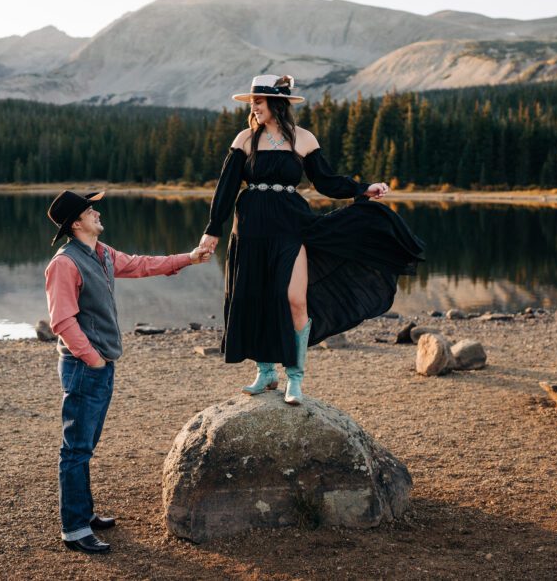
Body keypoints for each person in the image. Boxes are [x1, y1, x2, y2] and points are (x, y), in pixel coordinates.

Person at [198, 75, 425, 405]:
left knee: (294, 300)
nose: (254, 108)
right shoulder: (245, 139)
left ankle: (295, 376)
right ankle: (266, 372)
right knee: (257, 297)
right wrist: (212, 229)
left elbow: (327, 182)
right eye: (252, 103)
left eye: (258, 102)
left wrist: (362, 189)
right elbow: (227, 188)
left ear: (276, 103)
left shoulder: (302, 139)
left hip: (291, 226)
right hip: (249, 229)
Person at [45, 190, 212, 554]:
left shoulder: (102, 254)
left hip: (100, 365)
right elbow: (62, 320)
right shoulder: (64, 263)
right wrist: (92, 358)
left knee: (84, 446)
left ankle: (84, 513)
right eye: (91, 211)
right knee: (75, 449)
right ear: (76, 223)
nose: (98, 213)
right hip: (83, 367)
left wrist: (189, 258)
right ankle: (74, 528)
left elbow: (140, 264)